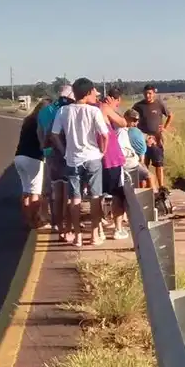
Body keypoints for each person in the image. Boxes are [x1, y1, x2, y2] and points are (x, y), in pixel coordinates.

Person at [50, 77, 109, 247]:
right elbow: (104, 135)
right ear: (89, 92)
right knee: (95, 197)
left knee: (74, 199)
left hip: (72, 159)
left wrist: (63, 150)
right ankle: (94, 235)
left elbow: (54, 135)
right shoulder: (93, 111)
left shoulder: (63, 111)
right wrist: (102, 152)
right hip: (92, 157)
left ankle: (77, 237)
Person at [37, 85, 75, 241]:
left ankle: (59, 228)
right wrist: (66, 151)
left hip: (51, 155)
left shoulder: (45, 111)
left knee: (56, 194)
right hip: (66, 155)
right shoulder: (67, 111)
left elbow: (43, 136)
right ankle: (67, 229)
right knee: (70, 195)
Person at [14, 98, 52, 228]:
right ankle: (36, 221)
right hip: (33, 158)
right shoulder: (42, 121)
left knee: (26, 190)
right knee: (35, 192)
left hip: (19, 156)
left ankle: (27, 219)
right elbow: (44, 142)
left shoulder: (28, 120)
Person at [98, 87, 129, 240]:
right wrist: (113, 109)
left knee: (97, 195)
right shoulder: (105, 108)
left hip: (96, 158)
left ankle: (98, 230)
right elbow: (123, 122)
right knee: (118, 194)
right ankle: (118, 228)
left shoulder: (90, 108)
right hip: (111, 157)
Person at [132, 84, 172, 190]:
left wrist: (164, 128)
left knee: (159, 164)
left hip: (156, 140)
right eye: (145, 94)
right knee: (143, 165)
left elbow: (170, 115)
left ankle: (161, 187)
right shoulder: (138, 106)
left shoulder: (159, 104)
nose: (148, 96)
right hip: (142, 140)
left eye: (150, 93)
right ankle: (143, 189)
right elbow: (130, 119)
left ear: (154, 93)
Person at [117, 108, 155, 190]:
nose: (136, 123)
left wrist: (147, 138)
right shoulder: (121, 131)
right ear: (126, 117)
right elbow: (121, 148)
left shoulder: (128, 130)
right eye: (134, 120)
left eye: (137, 120)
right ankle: (154, 199)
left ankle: (145, 197)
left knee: (143, 179)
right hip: (129, 162)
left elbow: (140, 136)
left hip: (134, 160)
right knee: (149, 176)